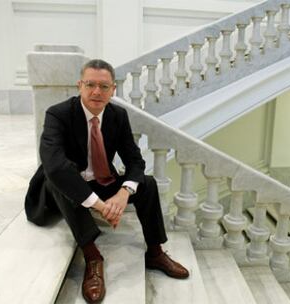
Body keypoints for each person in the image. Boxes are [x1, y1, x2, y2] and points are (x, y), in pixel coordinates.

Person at [25, 59, 189, 303]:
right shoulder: (58, 114)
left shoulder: (117, 115)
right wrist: (101, 207)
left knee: (148, 183)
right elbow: (54, 164)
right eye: (90, 84)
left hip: (101, 179)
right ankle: (92, 257)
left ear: (113, 90)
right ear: (79, 86)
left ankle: (155, 252)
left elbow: (134, 159)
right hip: (64, 185)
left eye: (104, 86)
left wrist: (123, 193)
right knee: (59, 177)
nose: (96, 92)